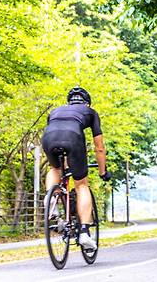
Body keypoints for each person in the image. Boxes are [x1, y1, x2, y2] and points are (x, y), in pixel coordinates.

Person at [42, 87, 110, 251]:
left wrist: (66, 164)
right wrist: (103, 172)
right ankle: (85, 233)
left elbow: (59, 139)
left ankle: (51, 197)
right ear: (86, 103)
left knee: (55, 168)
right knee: (81, 185)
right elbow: (99, 147)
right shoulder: (90, 112)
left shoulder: (55, 111)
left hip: (48, 138)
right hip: (73, 138)